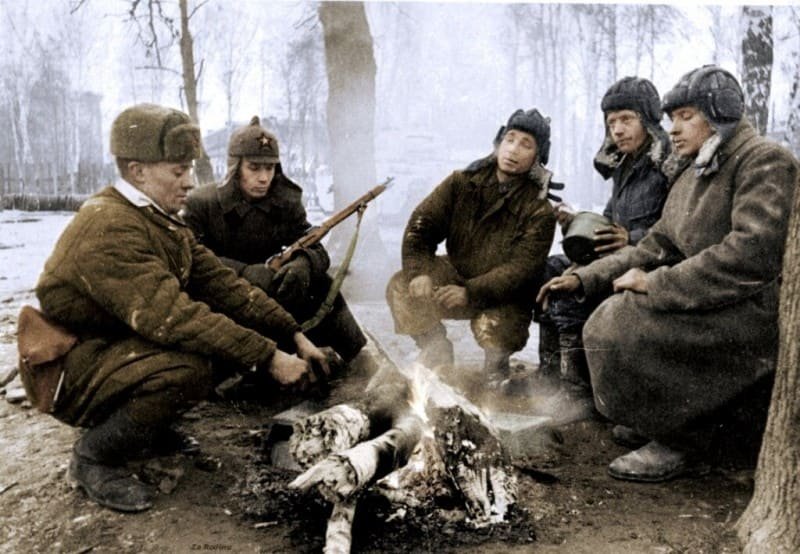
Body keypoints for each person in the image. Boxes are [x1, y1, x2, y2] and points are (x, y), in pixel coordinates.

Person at [33, 104, 328, 512]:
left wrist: (291, 334)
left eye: (190, 168)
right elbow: (174, 316)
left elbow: (225, 286)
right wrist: (269, 357)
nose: (190, 182)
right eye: (177, 171)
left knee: (218, 348)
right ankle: (94, 456)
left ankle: (145, 430)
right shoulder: (110, 226)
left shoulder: (159, 219)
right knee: (192, 367)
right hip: (71, 366)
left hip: (113, 347)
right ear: (137, 172)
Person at [538, 65, 798, 481]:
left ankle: (684, 438)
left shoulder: (764, 161)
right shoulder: (694, 173)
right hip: (706, 296)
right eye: (672, 118)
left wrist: (656, 283)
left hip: (749, 311)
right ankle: (661, 419)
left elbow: (751, 255)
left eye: (685, 116)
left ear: (720, 114)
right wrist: (586, 278)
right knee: (606, 318)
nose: (673, 129)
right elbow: (653, 245)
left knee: (629, 324)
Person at [386, 108, 556, 384]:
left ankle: (496, 366)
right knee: (402, 286)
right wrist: (420, 271)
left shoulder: (539, 210)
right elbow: (421, 227)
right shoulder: (461, 183)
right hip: (455, 273)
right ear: (498, 142)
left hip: (504, 296)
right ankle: (435, 350)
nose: (513, 150)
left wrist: (471, 292)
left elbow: (521, 270)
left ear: (538, 157)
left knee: (497, 330)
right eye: (510, 139)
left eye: (526, 145)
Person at [183, 117, 367, 366]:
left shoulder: (285, 201)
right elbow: (189, 257)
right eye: (255, 168)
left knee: (321, 284)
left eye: (269, 168)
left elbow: (313, 242)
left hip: (275, 291)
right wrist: (245, 272)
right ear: (235, 167)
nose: (263, 178)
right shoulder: (201, 203)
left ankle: (356, 357)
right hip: (223, 296)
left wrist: (304, 264)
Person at [536, 76, 670, 396]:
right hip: (615, 257)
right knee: (550, 270)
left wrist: (632, 238)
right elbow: (609, 219)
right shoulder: (626, 166)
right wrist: (576, 222)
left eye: (627, 119)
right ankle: (549, 375)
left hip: (649, 264)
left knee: (571, 287)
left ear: (648, 120)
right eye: (611, 122)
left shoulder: (667, 165)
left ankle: (577, 387)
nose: (618, 130)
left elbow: (677, 229)